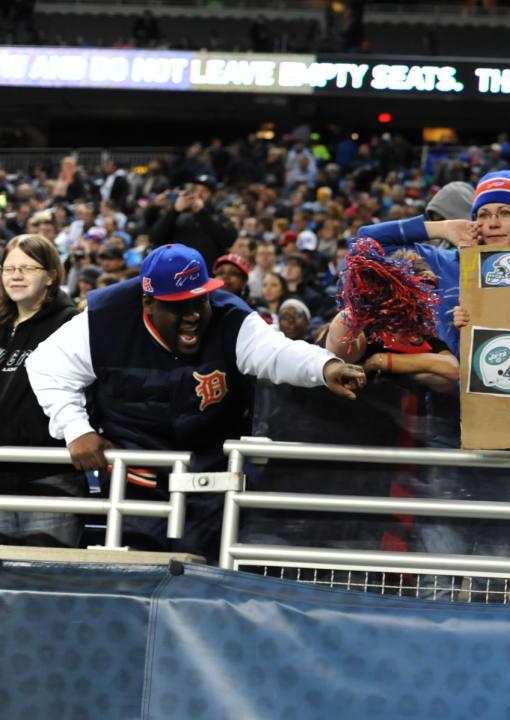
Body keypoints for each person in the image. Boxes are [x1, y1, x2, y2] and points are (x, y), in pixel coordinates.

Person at [26, 243, 367, 559]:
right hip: (135, 474)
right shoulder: (104, 319)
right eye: (178, 306)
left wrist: (325, 366)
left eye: (199, 300)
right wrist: (75, 428)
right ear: (148, 303)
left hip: (208, 474)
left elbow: (275, 352)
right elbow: (47, 366)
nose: (192, 315)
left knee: (204, 569)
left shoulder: (231, 316)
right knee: (135, 571)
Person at [0, 234, 82, 547]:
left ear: (50, 276)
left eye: (28, 268)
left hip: (49, 473)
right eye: (9, 269)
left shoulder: (71, 323)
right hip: (1, 473)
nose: (16, 275)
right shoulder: (1, 325)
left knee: (48, 579)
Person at [147, 175, 237, 270]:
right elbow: (155, 238)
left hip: (207, 274)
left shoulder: (220, 218)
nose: (198, 194)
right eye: (196, 190)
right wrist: (174, 210)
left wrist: (201, 212)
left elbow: (228, 240)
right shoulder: (177, 216)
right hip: (178, 273)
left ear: (213, 196)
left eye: (204, 191)